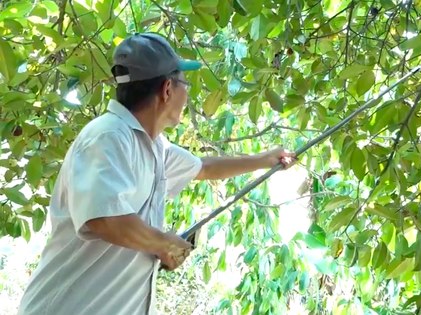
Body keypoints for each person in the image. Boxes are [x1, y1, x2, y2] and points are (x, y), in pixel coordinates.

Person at [17, 32, 296, 315]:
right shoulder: (107, 136)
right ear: (167, 89)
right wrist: (164, 243)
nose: (187, 93)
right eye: (185, 83)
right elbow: (104, 219)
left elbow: (204, 167)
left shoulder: (153, 148)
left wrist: (264, 160)